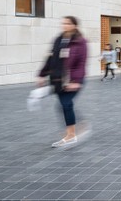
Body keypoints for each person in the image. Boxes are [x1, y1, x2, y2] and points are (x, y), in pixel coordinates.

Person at [37, 16, 88, 148]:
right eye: (63, 23)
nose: (64, 25)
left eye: (67, 23)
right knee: (62, 105)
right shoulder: (58, 39)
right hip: (58, 79)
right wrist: (42, 74)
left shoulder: (80, 41)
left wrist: (76, 81)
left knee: (66, 104)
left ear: (74, 25)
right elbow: (50, 58)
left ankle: (71, 135)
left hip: (73, 80)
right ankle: (78, 127)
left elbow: (81, 63)